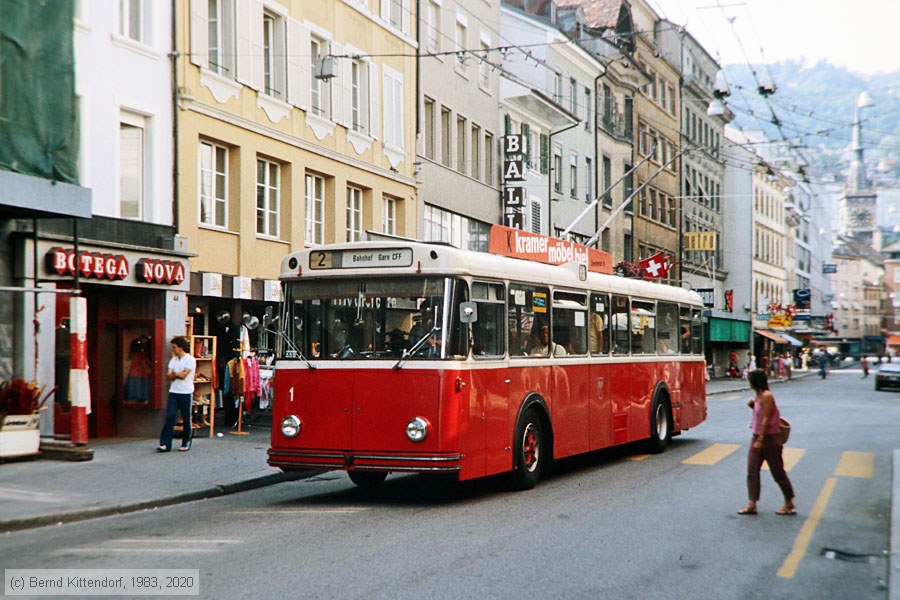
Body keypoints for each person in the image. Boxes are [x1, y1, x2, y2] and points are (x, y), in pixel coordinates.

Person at [737, 369, 796, 516]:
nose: (748, 382)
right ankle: (752, 503)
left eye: (750, 380)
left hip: (769, 439)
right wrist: (753, 405)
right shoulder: (758, 397)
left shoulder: (767, 396)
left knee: (777, 473)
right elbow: (760, 414)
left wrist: (761, 439)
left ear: (755, 382)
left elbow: (766, 418)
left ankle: (789, 502)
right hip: (756, 437)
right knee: (752, 471)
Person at [158, 336, 196, 452]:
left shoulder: (190, 360)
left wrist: (175, 374)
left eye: (174, 347)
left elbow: (184, 375)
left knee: (186, 418)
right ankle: (165, 443)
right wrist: (176, 374)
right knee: (170, 416)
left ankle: (186, 442)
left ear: (181, 348)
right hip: (174, 391)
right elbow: (168, 376)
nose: (173, 350)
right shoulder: (173, 360)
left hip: (186, 392)